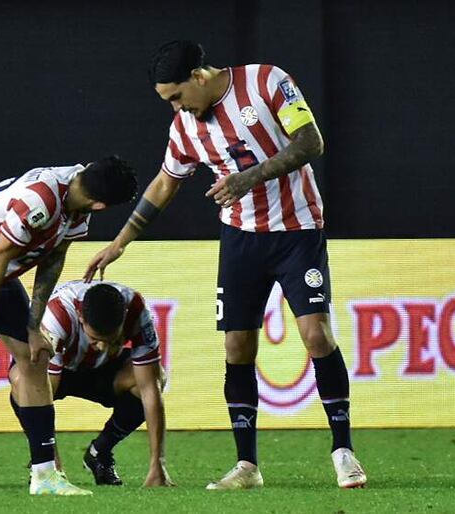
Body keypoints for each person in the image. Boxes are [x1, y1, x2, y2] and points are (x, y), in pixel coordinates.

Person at [85, 41, 367, 490]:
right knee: (237, 347)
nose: (175, 108)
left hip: (297, 230)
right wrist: (120, 242)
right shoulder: (185, 128)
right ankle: (247, 466)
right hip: (240, 240)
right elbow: (163, 184)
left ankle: (343, 450)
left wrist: (248, 178)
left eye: (176, 97)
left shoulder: (266, 81)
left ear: (197, 77)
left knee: (316, 334)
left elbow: (311, 141)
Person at [0, 156, 137, 496]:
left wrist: (34, 325)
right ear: (102, 204)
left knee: (35, 357)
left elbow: (53, 259)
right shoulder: (41, 199)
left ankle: (45, 475)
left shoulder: (78, 202)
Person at [8, 280, 174, 487]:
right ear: (80, 317)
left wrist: (157, 465)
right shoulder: (57, 316)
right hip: (60, 368)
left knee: (156, 376)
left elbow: (150, 388)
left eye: (114, 340)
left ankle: (100, 453)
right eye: (95, 339)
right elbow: (41, 393)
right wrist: (51, 465)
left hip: (102, 372)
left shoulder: (137, 311)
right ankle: (44, 461)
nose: (103, 347)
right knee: (22, 382)